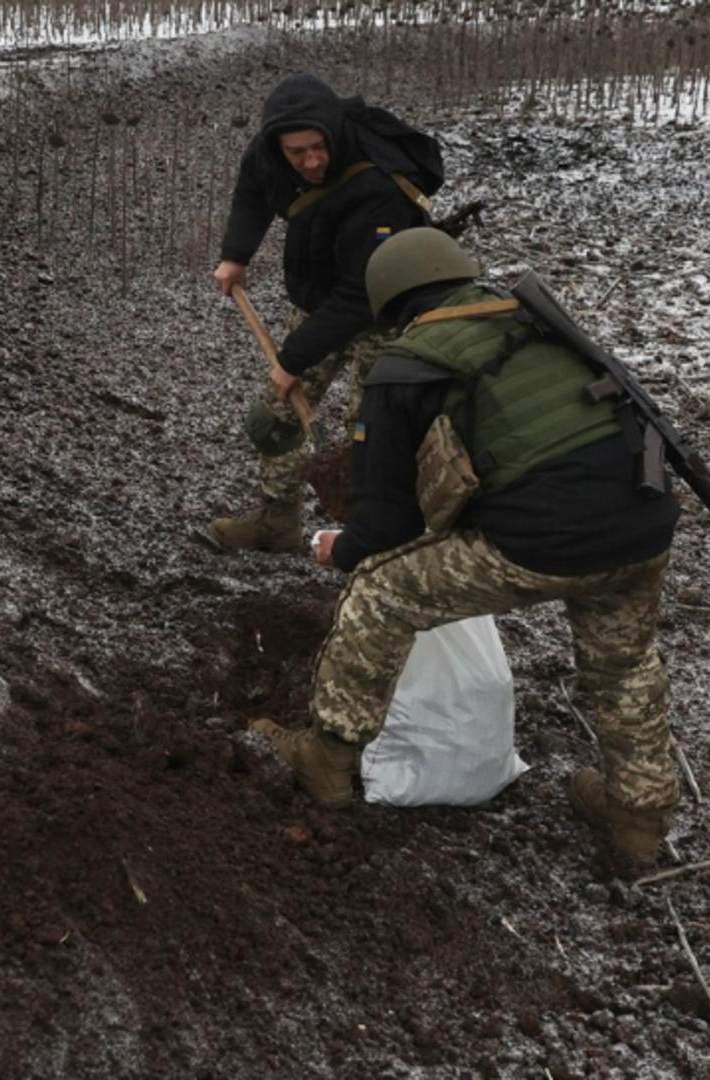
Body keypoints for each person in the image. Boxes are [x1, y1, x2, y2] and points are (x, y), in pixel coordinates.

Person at [250, 227, 683, 878]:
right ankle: (637, 815)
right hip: (645, 521)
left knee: (381, 592)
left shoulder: (404, 366)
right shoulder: (539, 325)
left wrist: (343, 552)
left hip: (545, 538)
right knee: (623, 667)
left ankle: (326, 759)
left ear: (391, 305)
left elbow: (385, 525)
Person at [206, 73, 439, 553]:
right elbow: (253, 191)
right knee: (272, 418)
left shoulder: (379, 186)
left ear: (333, 134)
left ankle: (375, 546)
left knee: (371, 440)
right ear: (279, 146)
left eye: (319, 148)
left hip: (384, 312)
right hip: (320, 300)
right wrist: (236, 255)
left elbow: (360, 295)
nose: (311, 161)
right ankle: (277, 521)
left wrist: (292, 359)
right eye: (298, 153)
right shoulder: (269, 152)